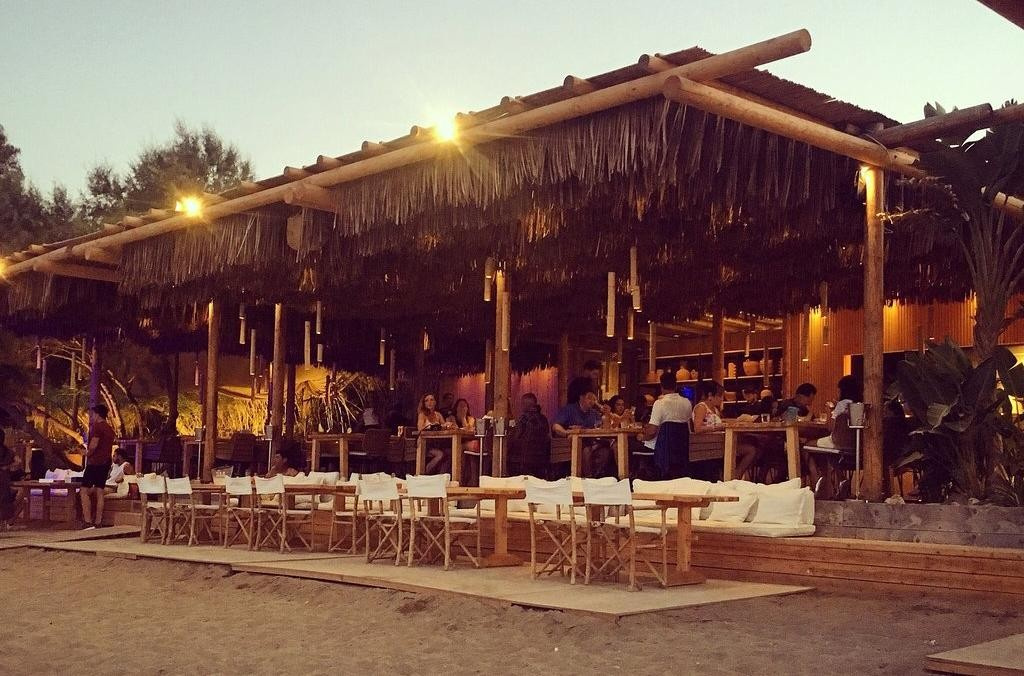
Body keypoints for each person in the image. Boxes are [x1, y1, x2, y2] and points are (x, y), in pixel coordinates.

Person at [806, 375, 863, 493]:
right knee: (830, 454)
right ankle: (840, 479)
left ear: (843, 390)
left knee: (806, 446)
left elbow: (830, 427)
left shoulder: (842, 404)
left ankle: (817, 478)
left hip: (838, 441)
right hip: (855, 443)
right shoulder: (859, 404)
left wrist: (829, 411)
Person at [693, 382, 760, 480]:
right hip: (710, 446)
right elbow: (697, 428)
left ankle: (735, 475)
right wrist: (717, 427)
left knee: (753, 443)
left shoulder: (715, 409)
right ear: (710, 395)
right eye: (719, 396)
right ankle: (735, 476)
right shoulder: (701, 407)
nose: (721, 399)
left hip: (721, 443)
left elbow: (718, 422)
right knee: (751, 450)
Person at [638, 370, 692, 476]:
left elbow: (652, 432)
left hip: (663, 449)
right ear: (676, 385)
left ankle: (640, 477)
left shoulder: (660, 403)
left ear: (661, 386)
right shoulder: (687, 403)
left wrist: (642, 437)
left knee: (634, 445)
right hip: (682, 449)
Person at [553, 377, 610, 477]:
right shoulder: (569, 409)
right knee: (586, 449)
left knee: (605, 451)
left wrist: (607, 414)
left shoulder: (594, 413)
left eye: (594, 399)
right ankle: (587, 478)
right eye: (589, 398)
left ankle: (596, 476)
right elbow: (555, 426)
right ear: (581, 397)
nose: (592, 401)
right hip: (574, 444)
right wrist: (567, 432)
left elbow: (604, 428)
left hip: (592, 442)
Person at [80, 404, 116, 530]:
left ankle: (87, 521)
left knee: (84, 491)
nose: (92, 416)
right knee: (100, 490)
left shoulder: (97, 427)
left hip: (95, 462)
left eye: (93, 414)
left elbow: (94, 444)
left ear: (98, 414)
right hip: (106, 462)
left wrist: (87, 453)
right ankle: (98, 521)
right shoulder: (110, 429)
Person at [509, 393, 550, 476]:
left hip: (524, 460)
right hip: (542, 460)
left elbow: (516, 437)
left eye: (522, 404)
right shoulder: (543, 419)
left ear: (524, 405)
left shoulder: (523, 419)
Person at [446, 398, 482, 481]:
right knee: (459, 449)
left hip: (467, 441)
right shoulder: (451, 418)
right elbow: (455, 428)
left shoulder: (470, 418)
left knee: (461, 449)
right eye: (460, 406)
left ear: (467, 408)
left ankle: (462, 478)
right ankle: (460, 477)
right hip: (453, 442)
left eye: (464, 406)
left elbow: (468, 429)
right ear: (456, 407)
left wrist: (463, 418)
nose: (462, 408)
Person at [418, 394, 453, 474]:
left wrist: (448, 425)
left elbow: (444, 426)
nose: (429, 402)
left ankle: (441, 475)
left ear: (435, 402)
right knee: (440, 454)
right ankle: (424, 473)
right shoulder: (422, 414)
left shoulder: (438, 414)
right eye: (426, 400)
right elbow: (420, 428)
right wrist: (433, 426)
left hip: (437, 442)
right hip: (425, 443)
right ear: (424, 403)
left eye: (431, 400)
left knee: (450, 453)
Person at [0, 429, 26, 530]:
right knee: (20, 494)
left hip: (4, 482)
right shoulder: (7, 451)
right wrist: (8, 466)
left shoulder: (7, 451)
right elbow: (18, 461)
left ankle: (6, 524)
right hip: (4, 481)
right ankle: (6, 523)